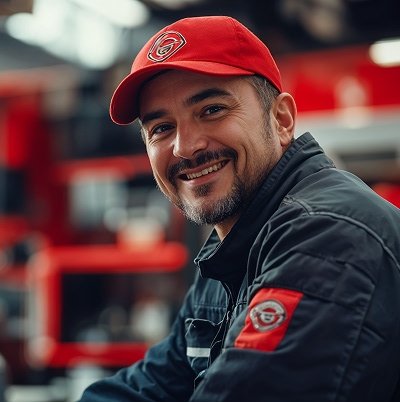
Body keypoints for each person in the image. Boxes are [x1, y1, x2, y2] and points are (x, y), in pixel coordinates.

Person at [78, 15, 400, 402]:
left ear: (281, 120)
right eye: (161, 128)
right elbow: (151, 385)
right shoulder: (230, 255)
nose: (185, 147)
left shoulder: (327, 235)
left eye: (212, 109)